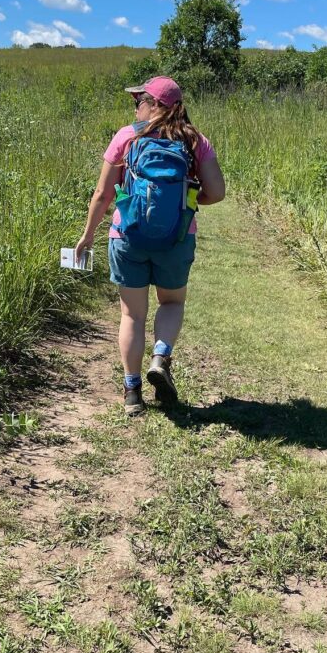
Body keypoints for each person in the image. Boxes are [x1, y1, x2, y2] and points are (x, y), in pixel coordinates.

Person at [75, 76, 226, 416]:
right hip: (177, 236)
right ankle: (160, 355)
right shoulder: (195, 141)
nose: (135, 106)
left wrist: (86, 236)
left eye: (138, 100)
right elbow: (216, 192)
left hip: (127, 236)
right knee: (171, 302)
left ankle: (131, 393)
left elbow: (103, 194)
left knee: (132, 314)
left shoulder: (127, 136)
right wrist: (185, 203)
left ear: (153, 104)